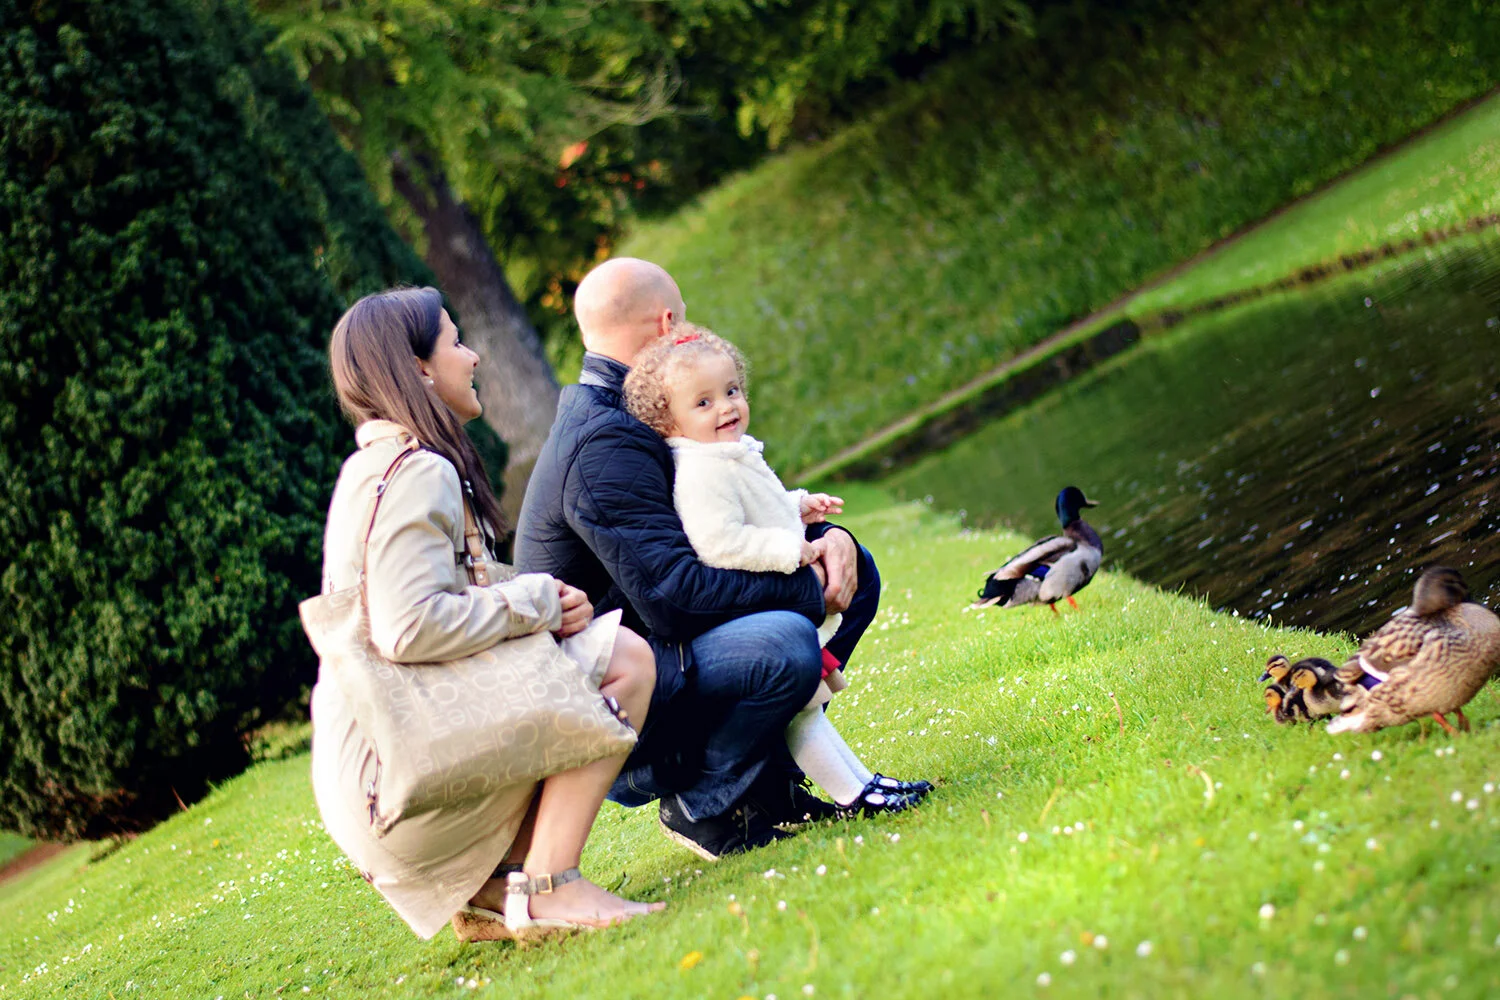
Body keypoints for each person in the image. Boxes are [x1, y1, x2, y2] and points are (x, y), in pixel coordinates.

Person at [308, 287, 664, 943]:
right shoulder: (417, 471)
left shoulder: (371, 468)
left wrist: (536, 600)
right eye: (456, 341)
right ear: (418, 368)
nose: (472, 357)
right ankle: (550, 885)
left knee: (578, 657)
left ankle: (494, 890)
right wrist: (534, 602)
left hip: (368, 782)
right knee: (626, 662)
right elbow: (407, 625)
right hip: (398, 788)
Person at [515, 258, 885, 861]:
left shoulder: (640, 409)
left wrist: (825, 539)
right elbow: (673, 597)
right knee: (785, 643)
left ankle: (768, 789)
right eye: (685, 320)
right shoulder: (605, 437)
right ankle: (703, 803)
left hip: (664, 652)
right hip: (614, 705)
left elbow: (731, 517)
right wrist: (807, 588)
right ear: (668, 324)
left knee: (855, 570)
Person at [622, 325, 933, 815]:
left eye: (731, 391)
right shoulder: (702, 472)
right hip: (746, 612)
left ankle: (864, 784)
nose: (726, 407)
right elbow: (719, 542)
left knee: (807, 711)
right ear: (669, 421)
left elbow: (757, 509)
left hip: (765, 601)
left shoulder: (729, 453)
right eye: (703, 402)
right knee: (802, 715)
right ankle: (855, 795)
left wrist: (798, 507)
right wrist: (792, 548)